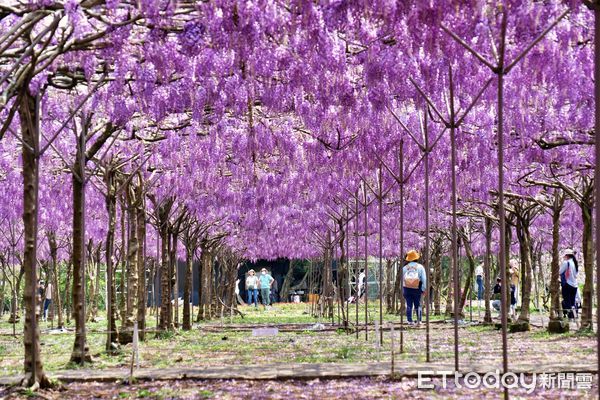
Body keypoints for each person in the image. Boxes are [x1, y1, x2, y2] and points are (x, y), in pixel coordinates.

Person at [402, 250, 426, 326]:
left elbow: (402, 279)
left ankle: (409, 321)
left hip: (407, 288)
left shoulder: (405, 268)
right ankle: (419, 321)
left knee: (409, 304)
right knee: (418, 304)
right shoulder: (420, 267)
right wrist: (423, 289)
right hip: (417, 288)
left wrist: (403, 289)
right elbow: (424, 279)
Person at [559, 248, 579, 320]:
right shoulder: (574, 263)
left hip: (567, 284)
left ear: (567, 255)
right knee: (573, 302)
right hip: (575, 285)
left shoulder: (566, 262)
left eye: (565, 255)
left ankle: (570, 317)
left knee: (567, 301)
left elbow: (560, 272)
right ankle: (574, 316)